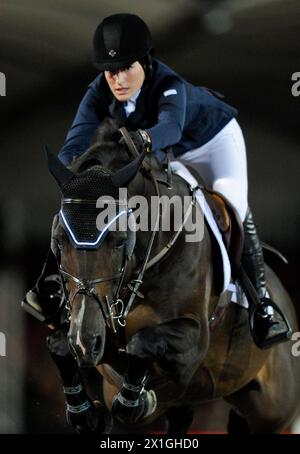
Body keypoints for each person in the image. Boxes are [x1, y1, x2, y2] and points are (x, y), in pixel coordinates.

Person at [23, 13, 290, 348]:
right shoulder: (98, 91)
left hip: (212, 143)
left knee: (231, 205)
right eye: (110, 71)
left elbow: (170, 129)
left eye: (125, 69)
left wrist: (144, 140)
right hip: (164, 153)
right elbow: (77, 140)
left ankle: (261, 304)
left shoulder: (168, 84)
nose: (117, 79)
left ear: (145, 63)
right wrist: (71, 175)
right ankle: (48, 285)